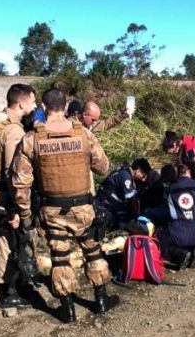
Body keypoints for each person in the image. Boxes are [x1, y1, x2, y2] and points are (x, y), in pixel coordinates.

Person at [10, 87, 116, 324]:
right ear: (66, 107)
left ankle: (67, 308)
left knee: (60, 257)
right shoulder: (84, 135)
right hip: (83, 208)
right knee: (93, 251)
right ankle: (100, 300)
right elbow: (103, 167)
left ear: (44, 108)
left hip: (52, 209)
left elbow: (20, 183)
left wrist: (25, 212)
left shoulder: (31, 139)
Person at [0, 84, 37, 308]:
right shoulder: (13, 130)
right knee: (9, 240)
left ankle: (9, 285)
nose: (34, 106)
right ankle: (8, 292)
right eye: (32, 101)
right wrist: (16, 207)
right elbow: (12, 171)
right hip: (5, 192)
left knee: (2, 238)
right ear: (22, 103)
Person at [149, 164, 195, 269]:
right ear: (189, 172)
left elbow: (164, 211)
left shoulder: (169, 189)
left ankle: (180, 255)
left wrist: (150, 213)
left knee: (158, 242)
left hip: (176, 233)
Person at [95, 161, 149, 230]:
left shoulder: (124, 170)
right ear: (138, 171)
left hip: (107, 205)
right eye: (143, 175)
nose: (143, 179)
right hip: (105, 208)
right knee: (128, 226)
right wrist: (136, 218)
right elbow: (131, 200)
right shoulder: (125, 176)